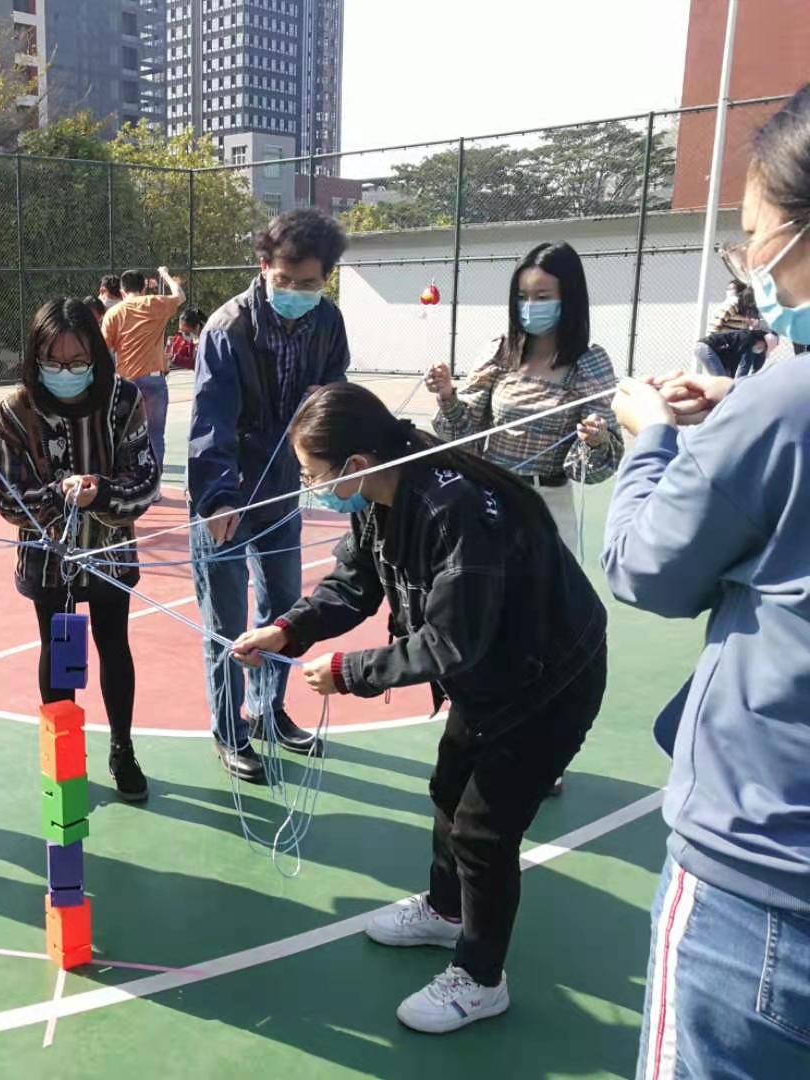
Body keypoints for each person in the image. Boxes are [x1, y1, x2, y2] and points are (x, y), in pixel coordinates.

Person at [233, 382, 607, 1034]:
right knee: (448, 790)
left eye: (311, 474)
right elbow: (355, 583)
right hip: (492, 675)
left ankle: (481, 979)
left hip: (549, 681)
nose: (308, 487)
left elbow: (451, 641)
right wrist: (288, 631)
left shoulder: (452, 510)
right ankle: (445, 911)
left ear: (354, 465)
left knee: (483, 831)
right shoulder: (379, 497)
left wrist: (350, 672)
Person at [603, 84, 810, 1079]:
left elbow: (648, 567)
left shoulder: (784, 404)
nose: (751, 263)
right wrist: (737, 402)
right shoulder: (772, 402)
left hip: (764, 868)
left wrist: (651, 440)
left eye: (755, 238)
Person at [188, 207, 351, 782]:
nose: (296, 293)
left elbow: (335, 387)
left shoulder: (327, 320)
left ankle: (267, 711)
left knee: (283, 608)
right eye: (285, 280)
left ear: (325, 278)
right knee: (226, 620)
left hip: (284, 487)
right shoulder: (227, 328)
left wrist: (325, 413)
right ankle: (229, 731)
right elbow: (210, 421)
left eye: (309, 283)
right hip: (230, 493)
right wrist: (216, 499)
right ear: (263, 266)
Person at [0, 298, 158, 800]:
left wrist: (101, 493)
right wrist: (57, 496)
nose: (65, 372)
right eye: (54, 362)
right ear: (36, 357)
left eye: (78, 362)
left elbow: (145, 481)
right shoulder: (16, 410)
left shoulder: (123, 400)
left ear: (97, 357)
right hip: (50, 564)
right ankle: (63, 757)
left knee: (114, 645)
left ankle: (122, 748)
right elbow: (8, 498)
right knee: (60, 651)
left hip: (109, 555)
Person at [426, 241, 622, 546]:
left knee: (544, 578)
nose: (530, 306)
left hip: (548, 506)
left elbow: (595, 467)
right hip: (490, 496)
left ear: (569, 298)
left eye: (542, 297)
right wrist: (447, 394)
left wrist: (595, 440)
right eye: (522, 297)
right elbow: (464, 437)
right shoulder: (499, 352)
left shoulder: (589, 363)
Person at [101, 266, 185, 476]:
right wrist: (165, 274)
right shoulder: (155, 303)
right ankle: (154, 482)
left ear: (122, 291)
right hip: (154, 379)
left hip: (127, 382)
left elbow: (103, 349)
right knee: (155, 434)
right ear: (144, 288)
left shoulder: (114, 313)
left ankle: (127, 478)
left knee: (123, 435)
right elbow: (180, 295)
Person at [166, 306, 206, 372]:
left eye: (186, 332)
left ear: (197, 327)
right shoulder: (191, 340)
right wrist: (169, 346)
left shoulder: (207, 341)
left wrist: (176, 359)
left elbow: (199, 364)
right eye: (181, 331)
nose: (183, 335)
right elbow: (175, 356)